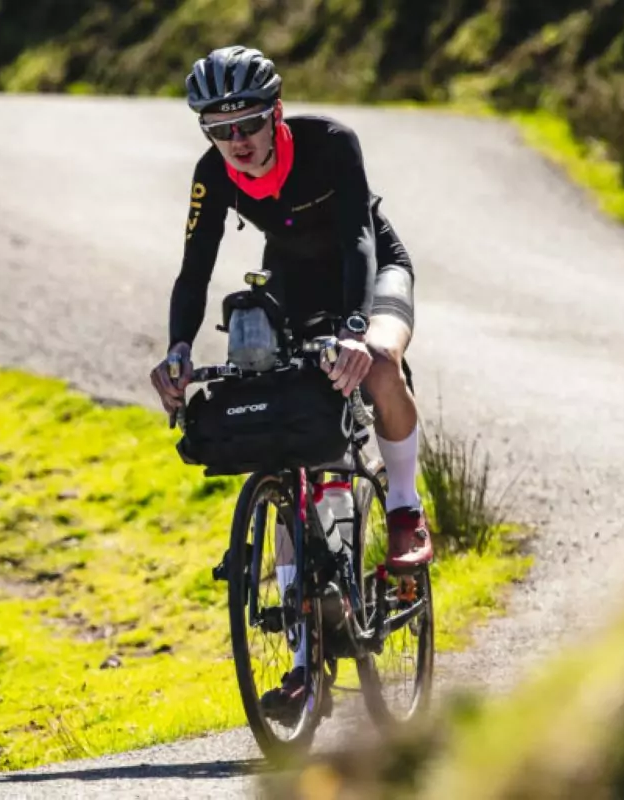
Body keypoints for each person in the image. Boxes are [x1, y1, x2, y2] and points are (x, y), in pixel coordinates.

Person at [148, 45, 433, 716]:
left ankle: (402, 505)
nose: (237, 141)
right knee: (286, 456)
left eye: (248, 123)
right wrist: (178, 350)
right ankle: (306, 662)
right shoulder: (212, 173)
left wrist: (357, 330)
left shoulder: (330, 142)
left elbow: (359, 238)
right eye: (219, 129)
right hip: (293, 281)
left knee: (379, 362)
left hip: (371, 270)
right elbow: (194, 268)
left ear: (275, 112)